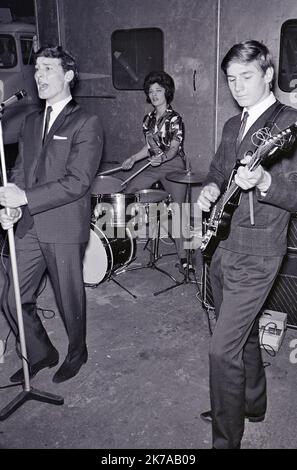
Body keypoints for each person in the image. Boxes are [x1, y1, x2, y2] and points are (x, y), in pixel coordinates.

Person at [197, 40, 297, 449]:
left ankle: (226, 439)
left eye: (247, 77)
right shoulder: (231, 124)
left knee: (221, 351)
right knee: (242, 337)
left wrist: (267, 182)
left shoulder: (290, 124)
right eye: (231, 79)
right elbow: (220, 169)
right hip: (222, 243)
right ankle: (249, 404)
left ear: (269, 74)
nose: (237, 87)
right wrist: (209, 188)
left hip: (258, 253)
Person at [0, 45, 103, 384]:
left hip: (63, 225)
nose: (38, 76)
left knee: (68, 298)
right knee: (13, 297)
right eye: (37, 70)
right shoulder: (30, 121)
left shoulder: (86, 122)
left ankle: (78, 351)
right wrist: (13, 204)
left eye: (47, 69)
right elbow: (20, 170)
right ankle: (41, 351)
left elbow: (77, 182)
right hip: (29, 225)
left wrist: (25, 197)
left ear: (68, 75)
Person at [121, 71, 191, 271]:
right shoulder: (148, 119)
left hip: (174, 164)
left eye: (158, 91)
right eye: (151, 91)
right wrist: (132, 159)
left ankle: (184, 258)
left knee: (179, 210)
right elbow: (148, 148)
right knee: (129, 192)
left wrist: (163, 158)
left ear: (166, 92)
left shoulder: (175, 119)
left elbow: (174, 149)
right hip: (154, 165)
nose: (154, 95)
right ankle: (128, 246)